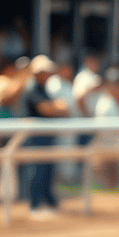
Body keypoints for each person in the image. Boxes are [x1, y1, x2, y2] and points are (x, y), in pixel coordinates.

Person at [22, 55, 70, 219]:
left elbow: (63, 108)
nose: (47, 75)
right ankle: (34, 206)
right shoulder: (32, 90)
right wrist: (56, 107)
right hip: (36, 139)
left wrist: (55, 107)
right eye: (44, 72)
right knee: (36, 172)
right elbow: (47, 109)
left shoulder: (44, 90)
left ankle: (49, 203)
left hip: (47, 138)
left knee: (47, 172)